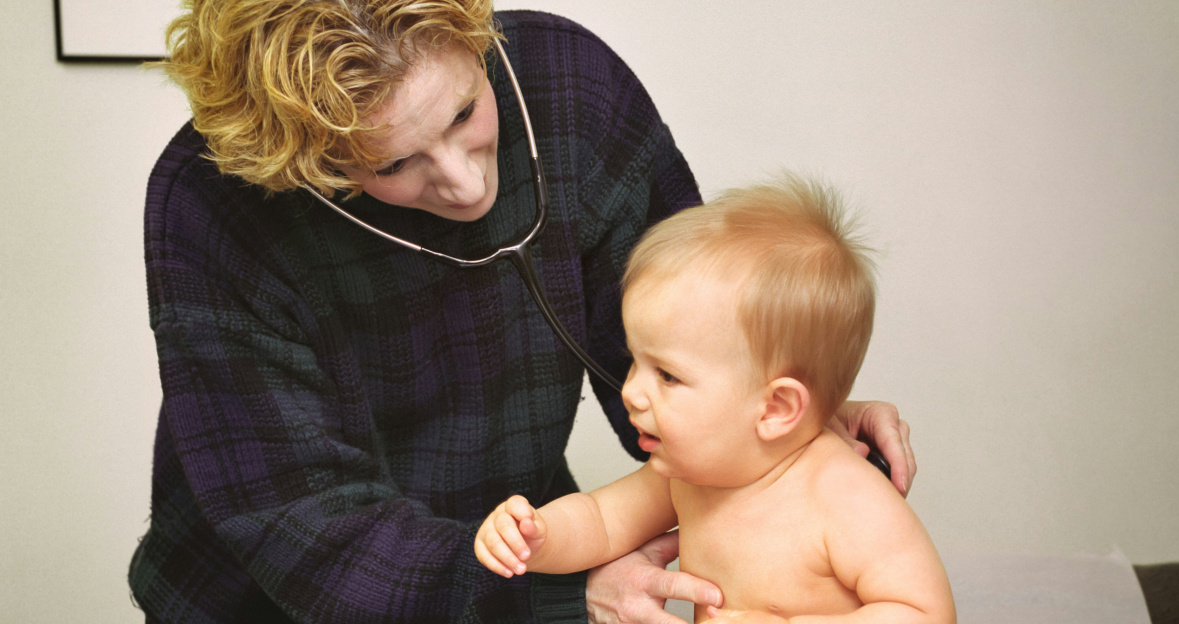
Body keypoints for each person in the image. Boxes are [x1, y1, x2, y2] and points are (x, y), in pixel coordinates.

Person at [127, 1, 916, 622]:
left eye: (466, 114)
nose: (466, 187)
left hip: (511, 541)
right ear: (302, 157)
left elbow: (690, 332)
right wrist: (562, 597)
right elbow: (302, 525)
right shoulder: (212, 204)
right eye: (392, 163)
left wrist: (788, 419)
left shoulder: (573, 88)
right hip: (279, 595)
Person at [476, 176, 954, 623]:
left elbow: (924, 612)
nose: (630, 391)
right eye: (634, 361)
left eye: (667, 375)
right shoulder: (688, 475)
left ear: (776, 408)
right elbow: (599, 522)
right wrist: (535, 538)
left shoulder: (842, 495)